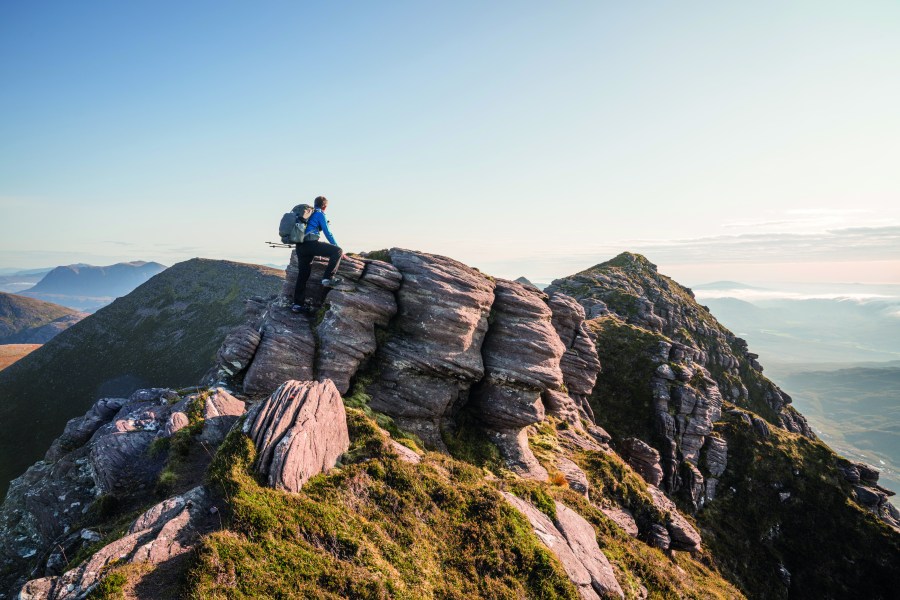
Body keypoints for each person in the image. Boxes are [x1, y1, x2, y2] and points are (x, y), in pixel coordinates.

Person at [291, 196, 343, 313]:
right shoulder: (320, 214)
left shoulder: (306, 214)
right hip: (311, 245)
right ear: (324, 206)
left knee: (303, 275)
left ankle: (297, 305)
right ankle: (327, 278)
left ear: (314, 204)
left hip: (300, 246)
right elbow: (327, 232)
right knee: (337, 251)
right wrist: (336, 245)